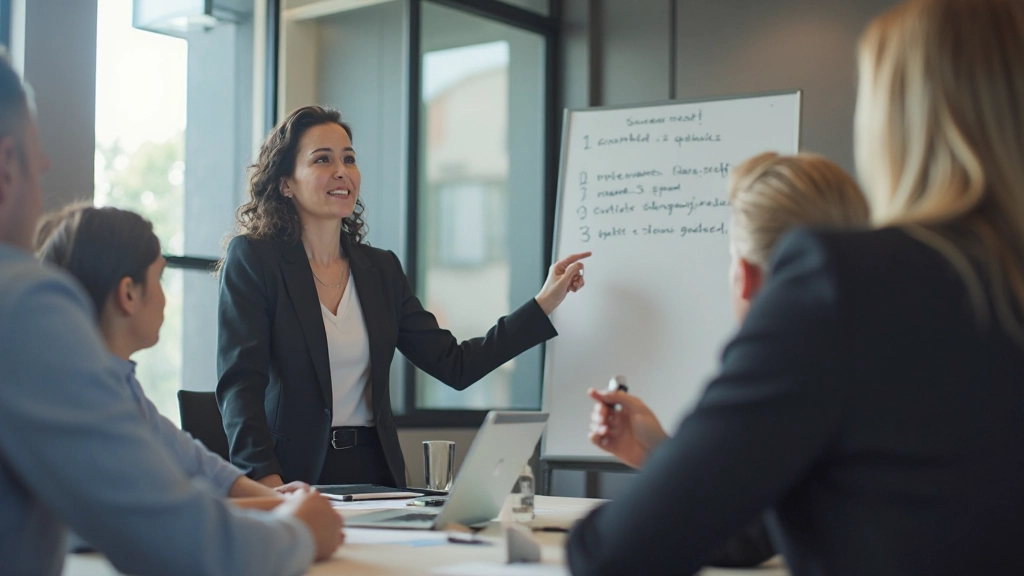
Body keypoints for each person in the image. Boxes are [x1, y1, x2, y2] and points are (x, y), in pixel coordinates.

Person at [567, 0, 1024, 574]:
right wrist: (664, 456)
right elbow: (767, 524)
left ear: (895, 122)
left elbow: (616, 553)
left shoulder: (847, 283)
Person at [0, 57, 342, 575]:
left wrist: (272, 502)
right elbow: (172, 537)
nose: (46, 165)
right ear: (6, 167)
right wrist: (296, 531)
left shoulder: (119, 387)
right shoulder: (22, 302)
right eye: (34, 152)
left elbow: (186, 462)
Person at [218, 105, 589, 488]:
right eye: (322, 160)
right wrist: (266, 481)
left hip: (377, 477)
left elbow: (455, 365)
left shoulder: (380, 271)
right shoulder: (255, 258)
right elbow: (240, 386)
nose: (341, 170)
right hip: (291, 476)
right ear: (285, 183)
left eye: (349, 158)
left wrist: (544, 303)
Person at [586, 151, 869, 568]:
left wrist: (668, 474)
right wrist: (660, 455)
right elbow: (747, 539)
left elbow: (606, 550)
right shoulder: (892, 349)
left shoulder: (787, 364)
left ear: (745, 275)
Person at [36, 204, 308, 510]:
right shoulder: (87, 400)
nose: (165, 298)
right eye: (160, 278)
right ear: (128, 294)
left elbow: (193, 461)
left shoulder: (118, 384)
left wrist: (274, 500)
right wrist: (285, 513)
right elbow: (157, 512)